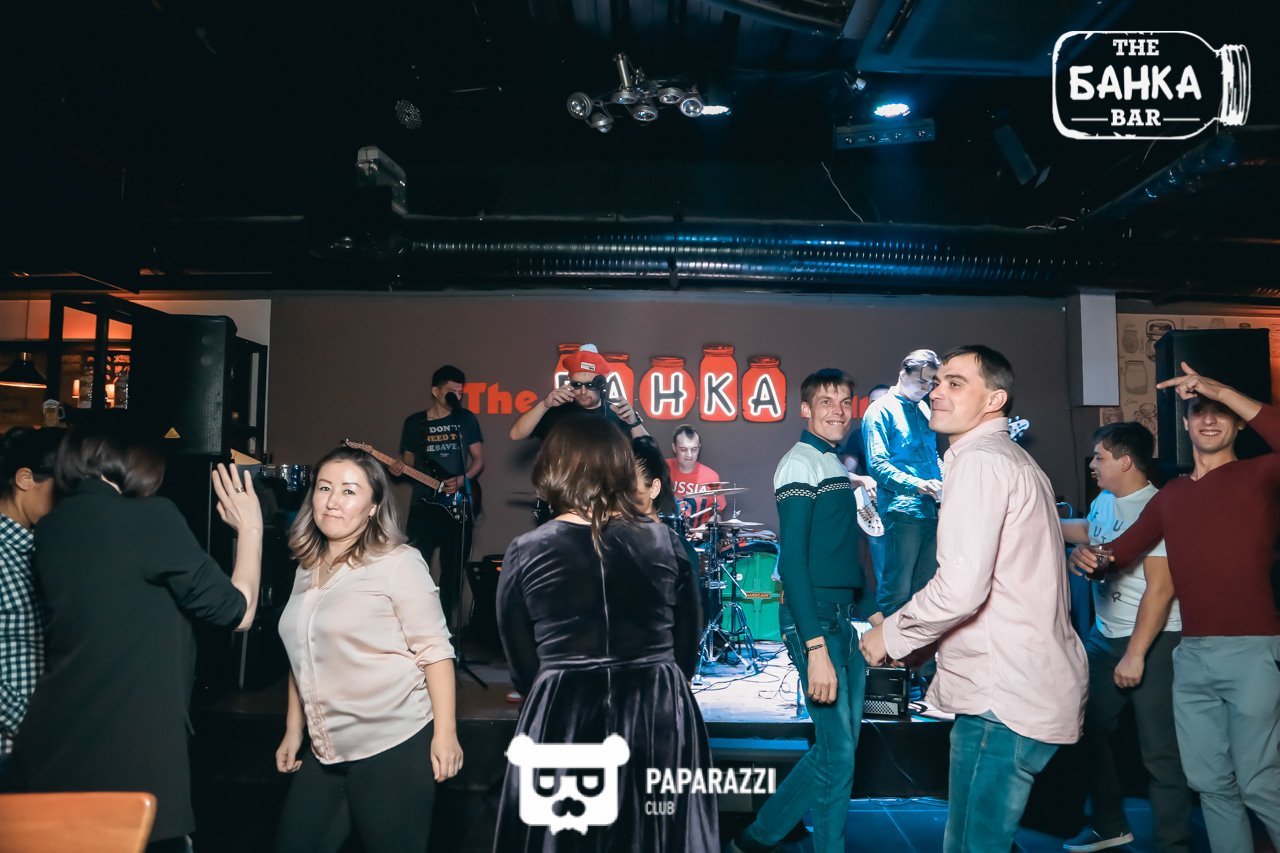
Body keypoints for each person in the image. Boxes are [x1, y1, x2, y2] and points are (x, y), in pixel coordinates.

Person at [860, 345, 1087, 853]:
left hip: (1001, 695)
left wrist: (889, 636)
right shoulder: (1000, 458)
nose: (936, 391)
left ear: (994, 400)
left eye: (955, 383)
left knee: (973, 844)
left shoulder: (981, 463)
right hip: (1008, 686)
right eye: (938, 381)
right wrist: (921, 643)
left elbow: (962, 588)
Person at [10, 425, 261, 850]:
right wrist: (250, 530)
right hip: (129, 751)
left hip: (53, 748)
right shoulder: (150, 517)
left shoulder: (53, 528)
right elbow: (238, 612)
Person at [1073, 362, 1280, 852]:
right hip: (1191, 656)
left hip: (1252, 651)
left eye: (1220, 411)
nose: (1209, 419)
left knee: (1259, 781)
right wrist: (1091, 558)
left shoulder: (1259, 475)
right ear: (1184, 424)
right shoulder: (1173, 496)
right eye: (1198, 411)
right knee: (1210, 783)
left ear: (1239, 422)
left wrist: (1221, 388)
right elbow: (1120, 553)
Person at [493, 416, 715, 851]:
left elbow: (521, 664)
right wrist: (663, 682)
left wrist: (556, 688)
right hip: (657, 707)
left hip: (565, 711)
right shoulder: (663, 541)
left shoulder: (526, 550)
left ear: (555, 467)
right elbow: (689, 641)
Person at [274, 445, 462, 853]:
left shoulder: (398, 563)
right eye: (324, 488)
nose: (332, 501)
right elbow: (303, 653)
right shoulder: (306, 566)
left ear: (374, 507)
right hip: (326, 749)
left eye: (349, 491)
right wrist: (294, 729)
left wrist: (445, 734)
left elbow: (435, 652)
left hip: (392, 745)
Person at [729, 369, 867, 853]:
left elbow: (842, 552)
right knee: (837, 754)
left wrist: (872, 614)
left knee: (840, 750)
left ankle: (758, 836)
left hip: (842, 618)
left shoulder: (832, 463)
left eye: (845, 402)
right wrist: (815, 647)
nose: (838, 411)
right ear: (805, 409)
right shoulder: (799, 463)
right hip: (816, 623)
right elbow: (791, 562)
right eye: (826, 402)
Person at [1060, 422, 1190, 853]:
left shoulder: (1155, 508)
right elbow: (1090, 531)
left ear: (1126, 461)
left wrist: (1135, 655)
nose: (1093, 465)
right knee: (1089, 731)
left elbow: (1161, 589)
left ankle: (1174, 844)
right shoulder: (1105, 500)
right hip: (1104, 637)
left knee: (1160, 751)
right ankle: (1109, 826)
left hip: (1153, 641)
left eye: (1100, 457)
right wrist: (1043, 523)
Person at [0, 426, 64, 784]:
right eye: (62, 487)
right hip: (9, 750)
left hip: (41, 747)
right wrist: (33, 724)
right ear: (25, 479)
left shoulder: (43, 548)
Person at [399, 364, 484, 632]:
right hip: (423, 506)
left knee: (452, 573)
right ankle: (416, 629)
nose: (456, 397)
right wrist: (398, 468)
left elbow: (478, 460)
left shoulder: (465, 419)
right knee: (416, 569)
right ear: (436, 391)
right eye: (451, 392)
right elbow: (407, 463)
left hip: (456, 506)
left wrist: (462, 479)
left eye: (460, 393)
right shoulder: (415, 423)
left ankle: (446, 631)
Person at [861, 349, 943, 620]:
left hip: (931, 510)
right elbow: (877, 465)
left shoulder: (923, 408)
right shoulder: (880, 410)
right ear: (902, 374)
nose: (927, 388)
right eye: (921, 381)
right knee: (897, 589)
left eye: (931, 383)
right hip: (902, 510)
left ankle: (916, 646)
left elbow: (931, 457)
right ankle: (889, 644)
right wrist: (918, 484)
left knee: (924, 589)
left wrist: (947, 477)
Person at [509, 343, 649, 442]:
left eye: (590, 385)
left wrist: (634, 423)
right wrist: (544, 405)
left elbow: (649, 455)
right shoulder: (557, 411)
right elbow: (515, 434)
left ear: (601, 384)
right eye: (577, 385)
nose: (582, 391)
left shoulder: (616, 413)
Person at [667, 424, 727, 517]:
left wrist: (711, 522)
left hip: (700, 527)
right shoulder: (663, 468)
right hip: (666, 526)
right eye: (683, 449)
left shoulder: (711, 477)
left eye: (694, 449)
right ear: (674, 448)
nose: (689, 455)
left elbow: (719, 512)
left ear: (699, 448)